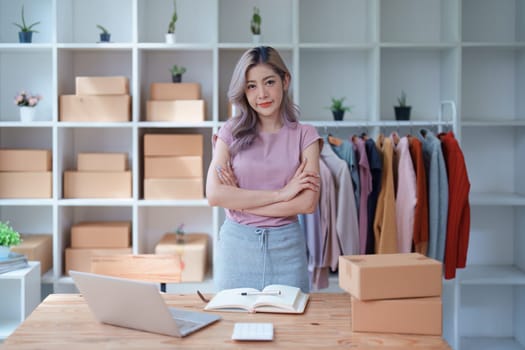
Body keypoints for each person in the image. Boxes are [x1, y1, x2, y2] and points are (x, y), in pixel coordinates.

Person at [206, 46, 322, 293]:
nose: (262, 93)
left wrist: (239, 200)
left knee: (291, 328)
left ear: (285, 80)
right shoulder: (230, 132)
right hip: (237, 248)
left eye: (269, 82)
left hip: (287, 250)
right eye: (251, 86)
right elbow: (215, 195)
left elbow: (307, 203)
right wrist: (283, 193)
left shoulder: (306, 135)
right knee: (231, 327)